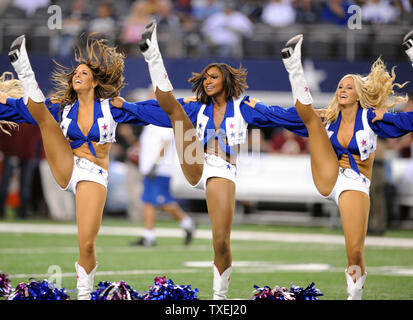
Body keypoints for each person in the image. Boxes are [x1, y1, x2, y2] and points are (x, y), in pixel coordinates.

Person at [110, 20, 309, 300]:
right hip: (196, 161)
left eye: (213, 77)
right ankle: (151, 52)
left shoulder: (245, 107)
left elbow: (283, 116)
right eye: (205, 77)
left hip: (223, 170)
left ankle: (219, 297)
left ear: (226, 80)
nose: (207, 81)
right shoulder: (197, 107)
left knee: (221, 243)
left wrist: (317, 113)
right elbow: (160, 111)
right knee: (176, 110)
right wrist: (128, 107)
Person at [0, 33, 202, 299]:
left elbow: (158, 111)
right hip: (66, 165)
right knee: (44, 117)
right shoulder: (61, 107)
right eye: (76, 73)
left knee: (86, 243)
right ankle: (23, 67)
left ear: (95, 81)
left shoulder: (113, 108)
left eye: (84, 73)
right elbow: (17, 108)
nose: (77, 75)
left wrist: (189, 108)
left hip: (93, 174)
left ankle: (84, 294)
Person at [247, 34, 413, 300]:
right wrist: (255, 106)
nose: (342, 89)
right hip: (329, 176)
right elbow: (283, 116)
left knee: (355, 251)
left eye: (349, 86)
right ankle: (293, 65)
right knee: (312, 120)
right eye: (339, 86)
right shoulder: (328, 117)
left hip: (355, 184)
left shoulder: (372, 119)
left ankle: (354, 296)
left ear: (360, 94)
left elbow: (409, 121)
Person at [130, 124, 196, 247]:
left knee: (164, 201)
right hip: (149, 168)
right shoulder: (149, 124)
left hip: (161, 169)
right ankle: (149, 236)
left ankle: (187, 222)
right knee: (148, 201)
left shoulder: (162, 121)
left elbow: (166, 143)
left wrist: (156, 164)